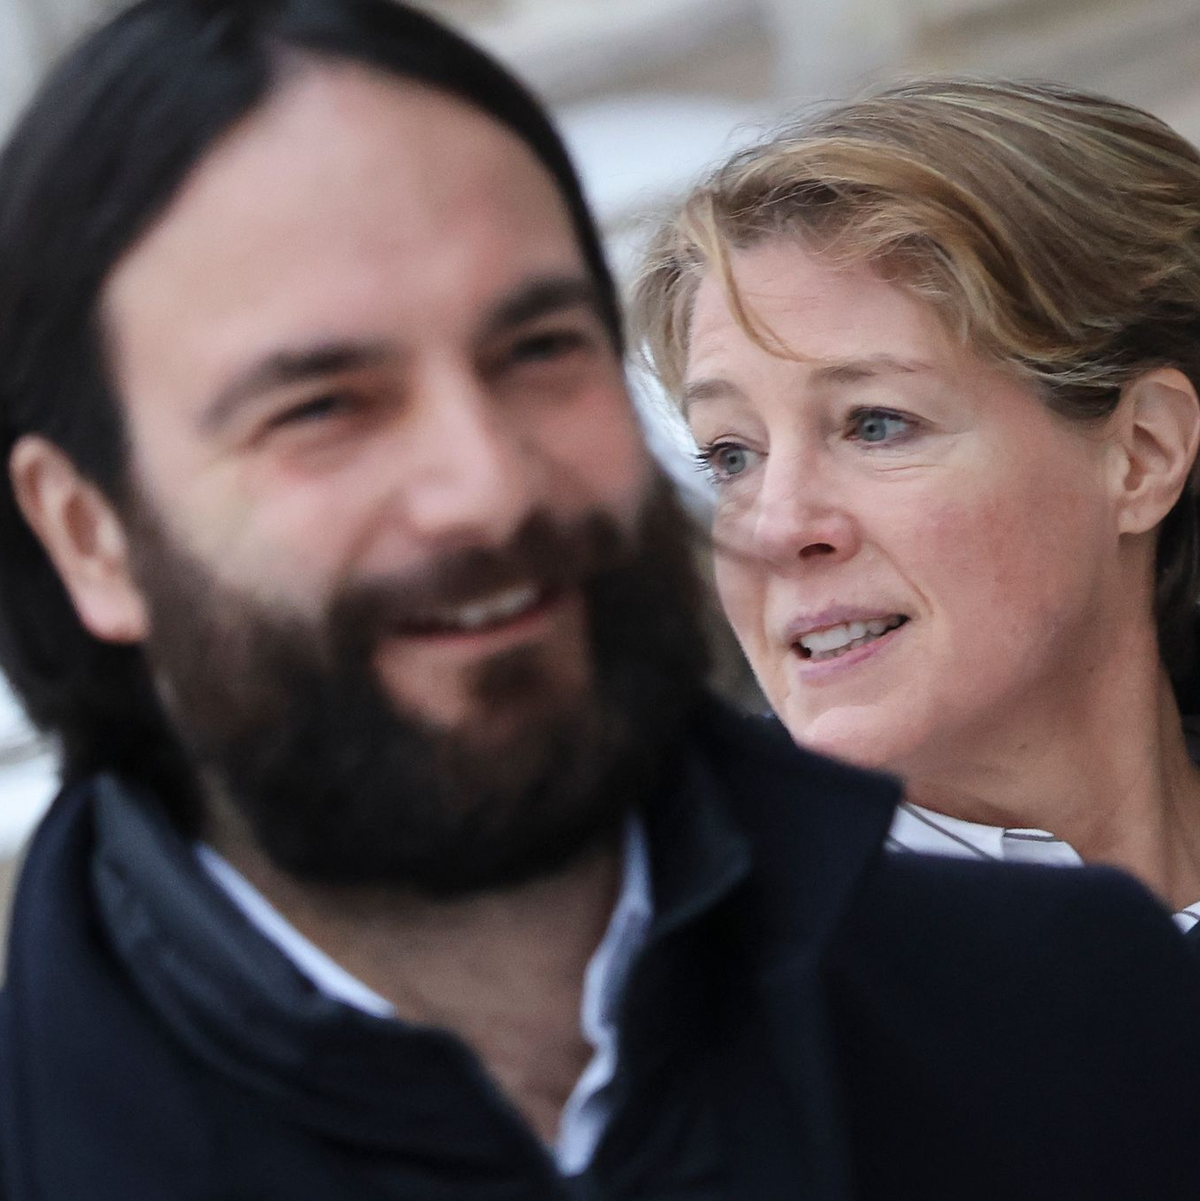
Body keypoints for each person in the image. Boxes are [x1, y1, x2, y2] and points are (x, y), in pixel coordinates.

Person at [2, 8, 1200, 1195]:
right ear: (84, 533)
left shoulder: (1066, 994)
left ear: (1144, 453)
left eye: (535, 350)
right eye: (320, 404)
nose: (485, 485)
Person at [633, 77, 1200, 930]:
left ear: (1142, 454)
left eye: (876, 424)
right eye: (731, 455)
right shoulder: (682, 980)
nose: (778, 528)